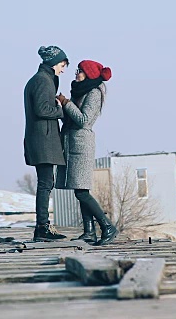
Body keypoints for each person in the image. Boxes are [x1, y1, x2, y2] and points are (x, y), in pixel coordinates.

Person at [55, 60, 118, 246]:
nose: (76, 74)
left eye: (80, 71)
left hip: (82, 146)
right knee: (80, 190)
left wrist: (66, 103)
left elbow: (84, 120)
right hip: (72, 144)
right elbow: (72, 117)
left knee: (82, 191)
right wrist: (61, 106)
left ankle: (107, 227)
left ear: (89, 74)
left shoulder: (94, 93)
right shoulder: (81, 91)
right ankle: (89, 232)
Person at [24, 45, 69, 241]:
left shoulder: (43, 79)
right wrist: (60, 110)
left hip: (41, 138)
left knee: (46, 182)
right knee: (45, 183)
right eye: (62, 64)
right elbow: (42, 110)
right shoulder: (43, 81)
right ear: (53, 63)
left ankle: (42, 227)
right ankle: (42, 228)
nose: (63, 69)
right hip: (43, 139)